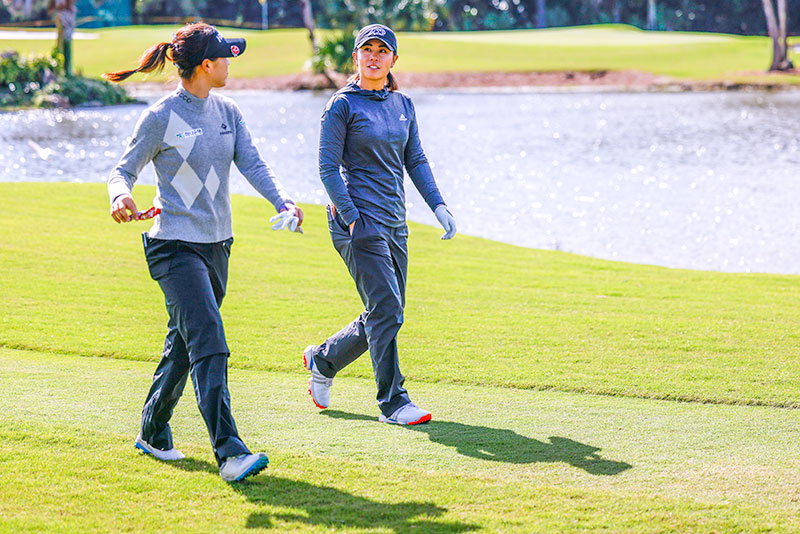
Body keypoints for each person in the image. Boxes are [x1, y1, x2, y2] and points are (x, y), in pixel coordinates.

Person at [105, 22, 303, 482]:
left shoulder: (228, 111)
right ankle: (230, 452)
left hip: (218, 245)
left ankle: (153, 431)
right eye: (226, 57)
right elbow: (123, 170)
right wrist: (120, 196)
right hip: (173, 246)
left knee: (184, 344)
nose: (231, 63)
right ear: (206, 65)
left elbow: (251, 161)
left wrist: (284, 201)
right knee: (209, 338)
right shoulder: (160, 117)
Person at [303, 24, 457, 425]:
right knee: (387, 308)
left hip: (393, 220)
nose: (374, 56)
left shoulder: (402, 104)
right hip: (357, 221)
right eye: (366, 50)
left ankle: (324, 358)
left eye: (382, 50)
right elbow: (327, 168)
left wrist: (438, 205)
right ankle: (393, 402)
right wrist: (353, 219)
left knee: (386, 310)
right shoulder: (342, 105)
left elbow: (416, 160)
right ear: (355, 57)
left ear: (393, 59)